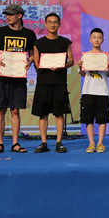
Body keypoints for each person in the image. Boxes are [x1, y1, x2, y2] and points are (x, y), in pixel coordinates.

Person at [0, 4, 36, 154]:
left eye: (11, 14)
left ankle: (15, 143)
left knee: (15, 111)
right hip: (2, 76)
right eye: (6, 14)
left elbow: (32, 54)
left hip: (19, 77)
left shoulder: (29, 34)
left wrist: (30, 61)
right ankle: (0, 143)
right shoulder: (0, 31)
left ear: (19, 15)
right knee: (1, 110)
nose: (7, 17)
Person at [32, 13, 74, 153]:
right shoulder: (38, 43)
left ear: (59, 24)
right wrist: (43, 66)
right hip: (43, 83)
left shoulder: (65, 42)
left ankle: (59, 142)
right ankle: (43, 142)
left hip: (59, 83)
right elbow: (36, 63)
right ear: (45, 24)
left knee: (59, 114)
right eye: (49, 22)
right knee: (43, 114)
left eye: (55, 22)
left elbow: (71, 61)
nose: (52, 24)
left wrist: (61, 66)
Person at [77, 28, 109, 153]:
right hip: (88, 91)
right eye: (94, 37)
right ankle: (91, 143)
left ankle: (100, 143)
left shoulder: (106, 56)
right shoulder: (85, 56)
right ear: (90, 39)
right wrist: (80, 67)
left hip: (102, 91)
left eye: (99, 37)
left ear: (103, 40)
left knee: (102, 119)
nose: (96, 40)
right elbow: (83, 74)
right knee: (88, 119)